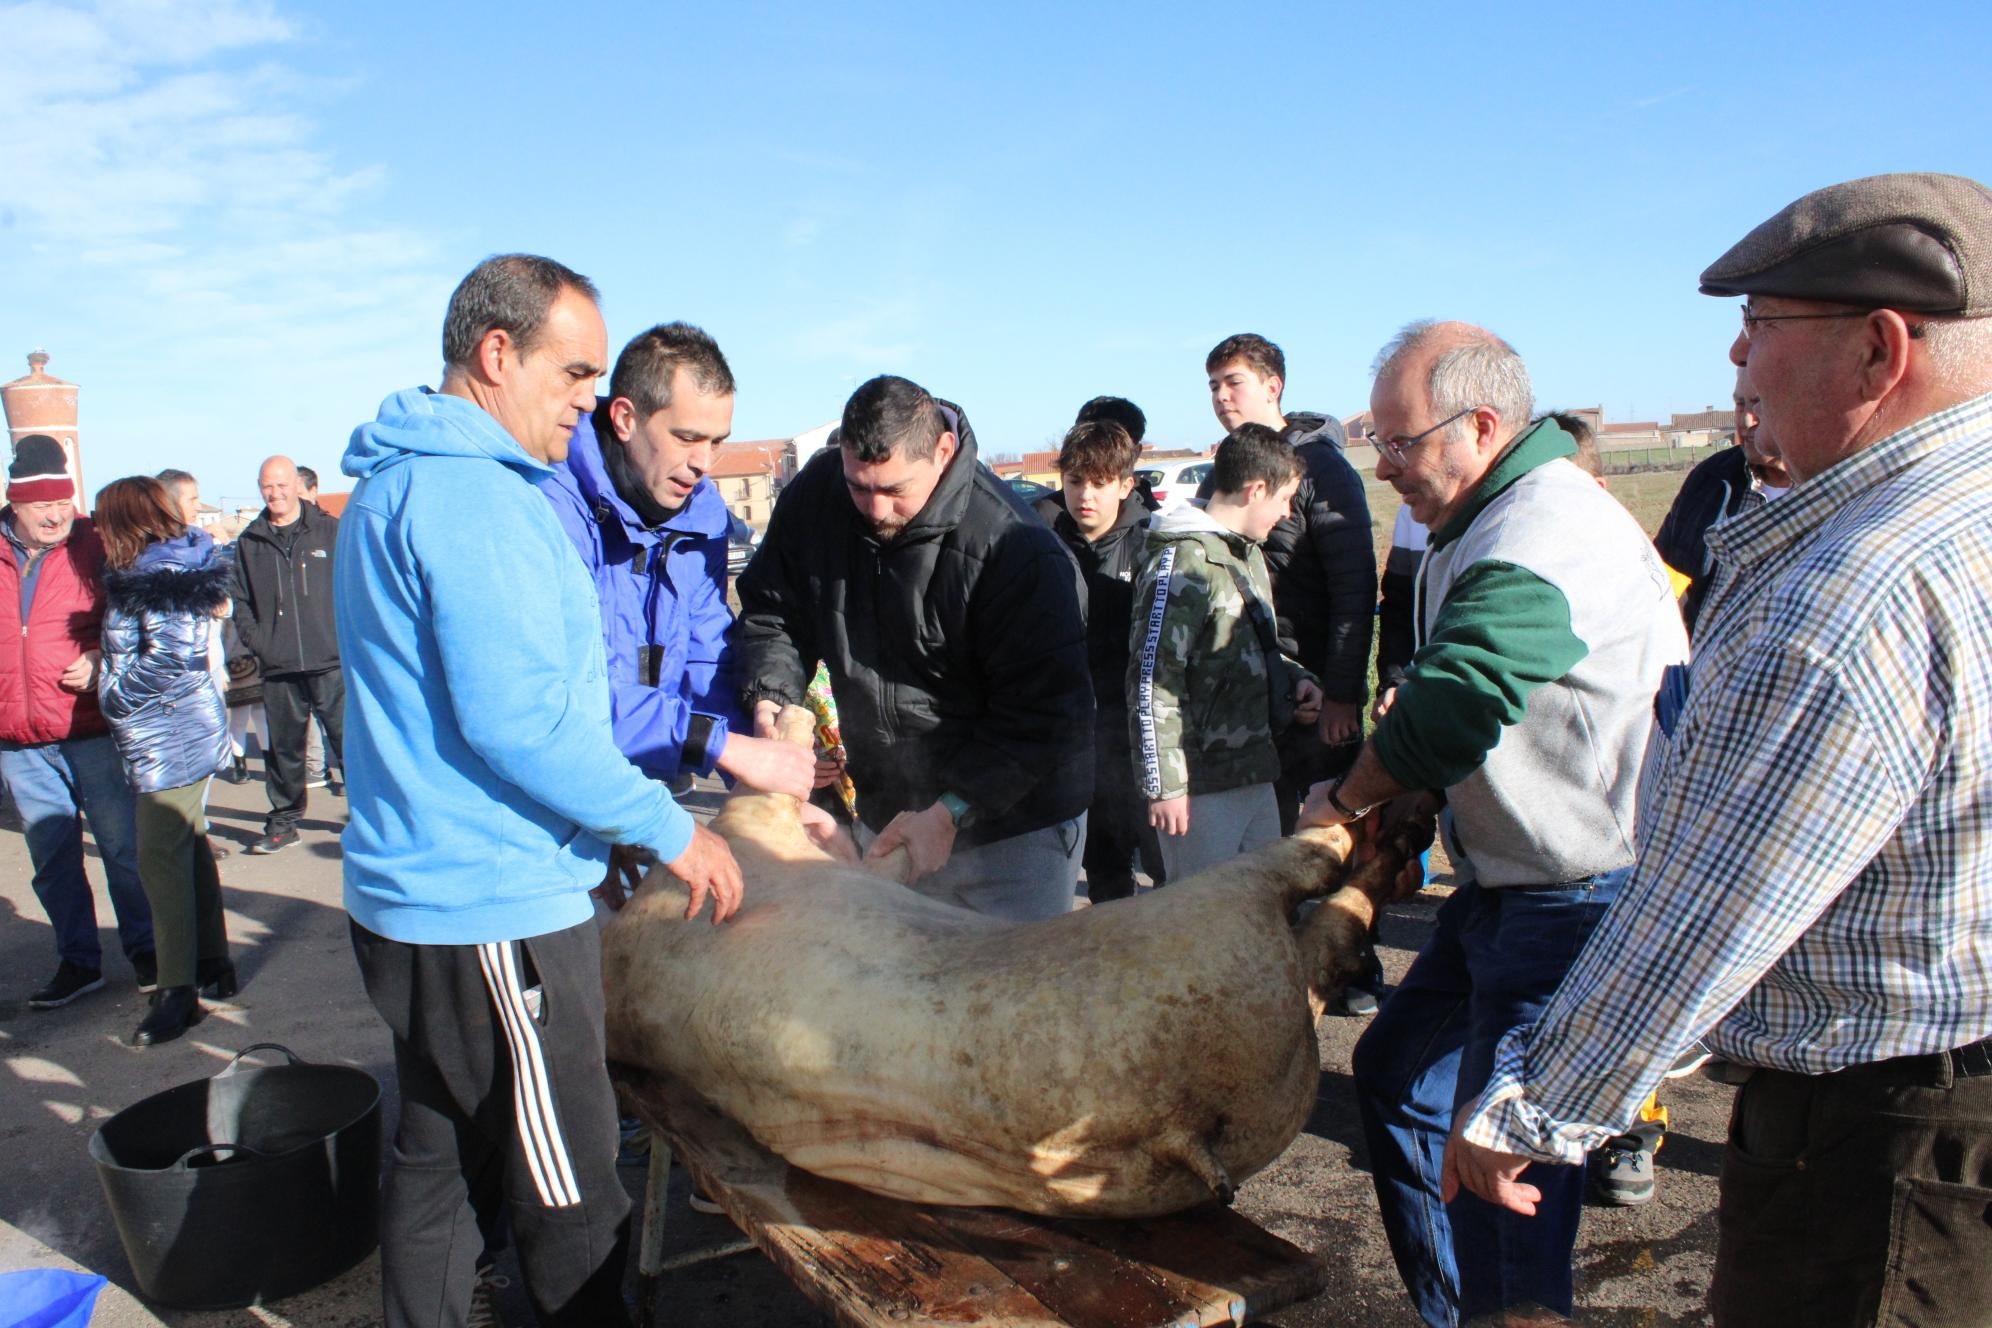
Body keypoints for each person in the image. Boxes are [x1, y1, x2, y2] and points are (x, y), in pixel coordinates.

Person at [1446, 172, 1992, 1327]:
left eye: (1764, 327)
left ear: (1881, 351)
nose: (1738, 361)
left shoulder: (1850, 595)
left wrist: (1534, 1106)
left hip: (1884, 1153)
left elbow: (1703, 912)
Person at [337, 253, 743, 1328]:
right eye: (574, 373)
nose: (584, 400)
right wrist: (666, 828)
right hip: (493, 907)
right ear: (496, 352)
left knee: (436, 1159)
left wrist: (590, 822)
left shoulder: (396, 479)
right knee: (571, 1194)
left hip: (411, 896)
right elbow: (519, 718)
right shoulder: (477, 498)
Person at [1297, 320, 1686, 1327]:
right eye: (1376, 443)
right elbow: (1464, 701)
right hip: (1508, 878)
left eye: (1400, 442)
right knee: (1393, 1073)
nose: (1385, 468)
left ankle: (1499, 1305)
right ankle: (1457, 1309)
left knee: (1503, 1164)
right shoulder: (1478, 519)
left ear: (1478, 425)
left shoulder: (1542, 529)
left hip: (1576, 888)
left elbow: (1459, 697)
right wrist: (1423, 797)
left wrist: (1347, 803)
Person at [735, 373, 1094, 921]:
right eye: (859, 487)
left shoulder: (1016, 550)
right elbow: (773, 612)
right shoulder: (817, 499)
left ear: (943, 451)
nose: (874, 510)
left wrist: (951, 810)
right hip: (887, 810)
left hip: (1014, 832)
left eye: (894, 491)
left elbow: (1047, 717)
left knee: (999, 994)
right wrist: (773, 699)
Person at [539, 321, 813, 819]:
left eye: (716, 442)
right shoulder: (550, 506)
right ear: (625, 418)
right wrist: (724, 747)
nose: (702, 463)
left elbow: (706, 658)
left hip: (638, 792)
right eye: (687, 438)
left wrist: (765, 777)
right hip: (544, 798)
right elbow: (566, 694)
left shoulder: (701, 518)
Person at [1130, 423, 1322, 881]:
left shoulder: (1245, 555)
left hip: (1255, 771)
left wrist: (1295, 678)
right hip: (1201, 789)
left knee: (1261, 909)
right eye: (1283, 499)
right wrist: (1165, 788)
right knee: (1200, 930)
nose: (1288, 513)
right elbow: (1153, 679)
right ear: (1256, 490)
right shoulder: (1183, 563)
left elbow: (1252, 644)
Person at [0, 436, 152, 1007]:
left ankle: (148, 951)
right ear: (16, 503)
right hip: (19, 740)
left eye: (63, 501)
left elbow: (141, 620)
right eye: (42, 504)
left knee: (121, 848)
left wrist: (101, 659)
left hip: (91, 729)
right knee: (53, 858)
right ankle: (78, 962)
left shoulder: (97, 544)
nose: (56, 513)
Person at [1203, 334, 1375, 829]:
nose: (1221, 397)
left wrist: (1342, 695)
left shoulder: (1323, 471)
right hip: (1250, 691)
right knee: (1262, 840)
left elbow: (1354, 590)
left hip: (1317, 685)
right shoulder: (1222, 474)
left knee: (1326, 837)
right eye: (1213, 386)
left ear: (1273, 386)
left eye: (1234, 383)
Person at [95, 476, 235, 1046]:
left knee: (158, 855)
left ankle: (178, 991)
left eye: (104, 522)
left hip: (169, 731)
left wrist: (112, 692)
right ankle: (212, 963)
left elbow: (170, 660)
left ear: (125, 522)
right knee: (187, 841)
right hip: (173, 726)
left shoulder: (160, 574)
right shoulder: (169, 566)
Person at [1034, 415, 1157, 902]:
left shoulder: (1152, 544)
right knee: (1060, 870)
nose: (1086, 495)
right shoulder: (1039, 540)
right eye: (1075, 481)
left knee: (1126, 866)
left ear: (1126, 485)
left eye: (1101, 483)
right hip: (1061, 732)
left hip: (1127, 736)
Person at [230, 455, 341, 852]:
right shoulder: (250, 540)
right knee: (283, 750)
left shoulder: (329, 531)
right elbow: (239, 601)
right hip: (278, 667)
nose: (274, 494)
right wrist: (261, 643)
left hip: (331, 661)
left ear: (296, 484)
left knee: (349, 744)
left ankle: (370, 819)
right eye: (266, 487)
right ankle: (283, 823)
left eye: (280, 485)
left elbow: (353, 589)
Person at [1651, 365, 1793, 634]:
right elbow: (1663, 579)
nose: (1747, 420)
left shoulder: (1830, 492)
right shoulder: (1710, 479)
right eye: (1740, 404)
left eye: (1759, 403)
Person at [293, 466, 340, 794]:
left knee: (340, 718)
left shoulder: (332, 532)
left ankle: (354, 779)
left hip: (332, 642)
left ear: (313, 491)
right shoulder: (272, 535)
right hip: (293, 648)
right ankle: (314, 766)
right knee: (305, 720)